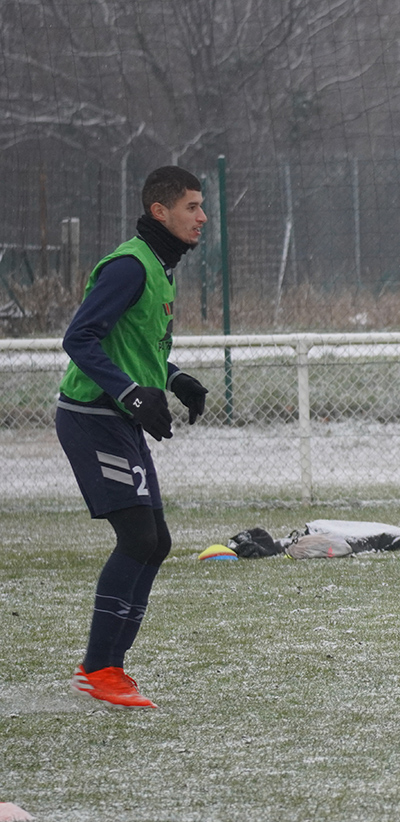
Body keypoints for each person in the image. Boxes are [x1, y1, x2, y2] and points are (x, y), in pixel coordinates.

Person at [55, 165, 210, 708]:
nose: (202, 216)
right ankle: (100, 669)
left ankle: (107, 669)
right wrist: (129, 393)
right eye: (192, 206)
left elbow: (138, 345)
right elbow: (80, 338)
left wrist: (173, 378)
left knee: (157, 542)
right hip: (90, 415)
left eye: (201, 206)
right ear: (159, 212)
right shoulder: (130, 266)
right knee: (139, 539)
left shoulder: (162, 268)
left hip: (117, 417)